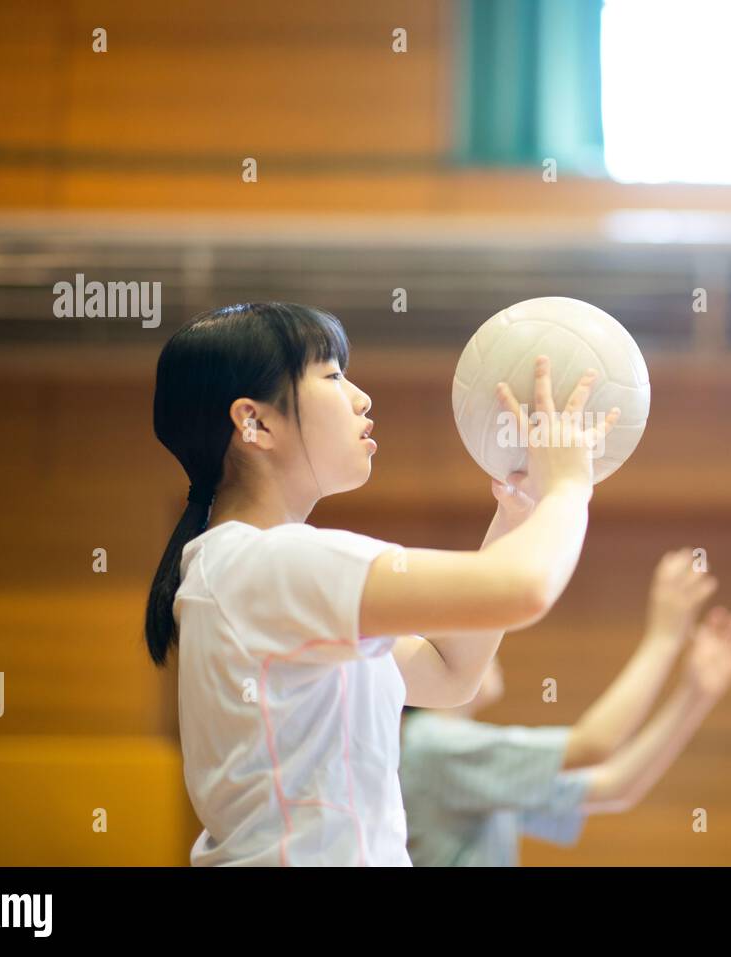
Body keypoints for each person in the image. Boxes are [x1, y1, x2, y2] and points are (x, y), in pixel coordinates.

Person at [143, 301, 619, 865]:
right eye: (332, 375)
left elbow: (451, 673)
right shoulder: (270, 563)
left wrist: (520, 513)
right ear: (256, 422)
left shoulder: (246, 568)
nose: (360, 397)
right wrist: (569, 489)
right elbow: (524, 588)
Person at [399, 546, 731, 866]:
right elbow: (593, 745)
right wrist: (664, 639)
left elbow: (615, 787)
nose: (491, 644)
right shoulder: (433, 746)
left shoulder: (449, 751)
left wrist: (694, 695)